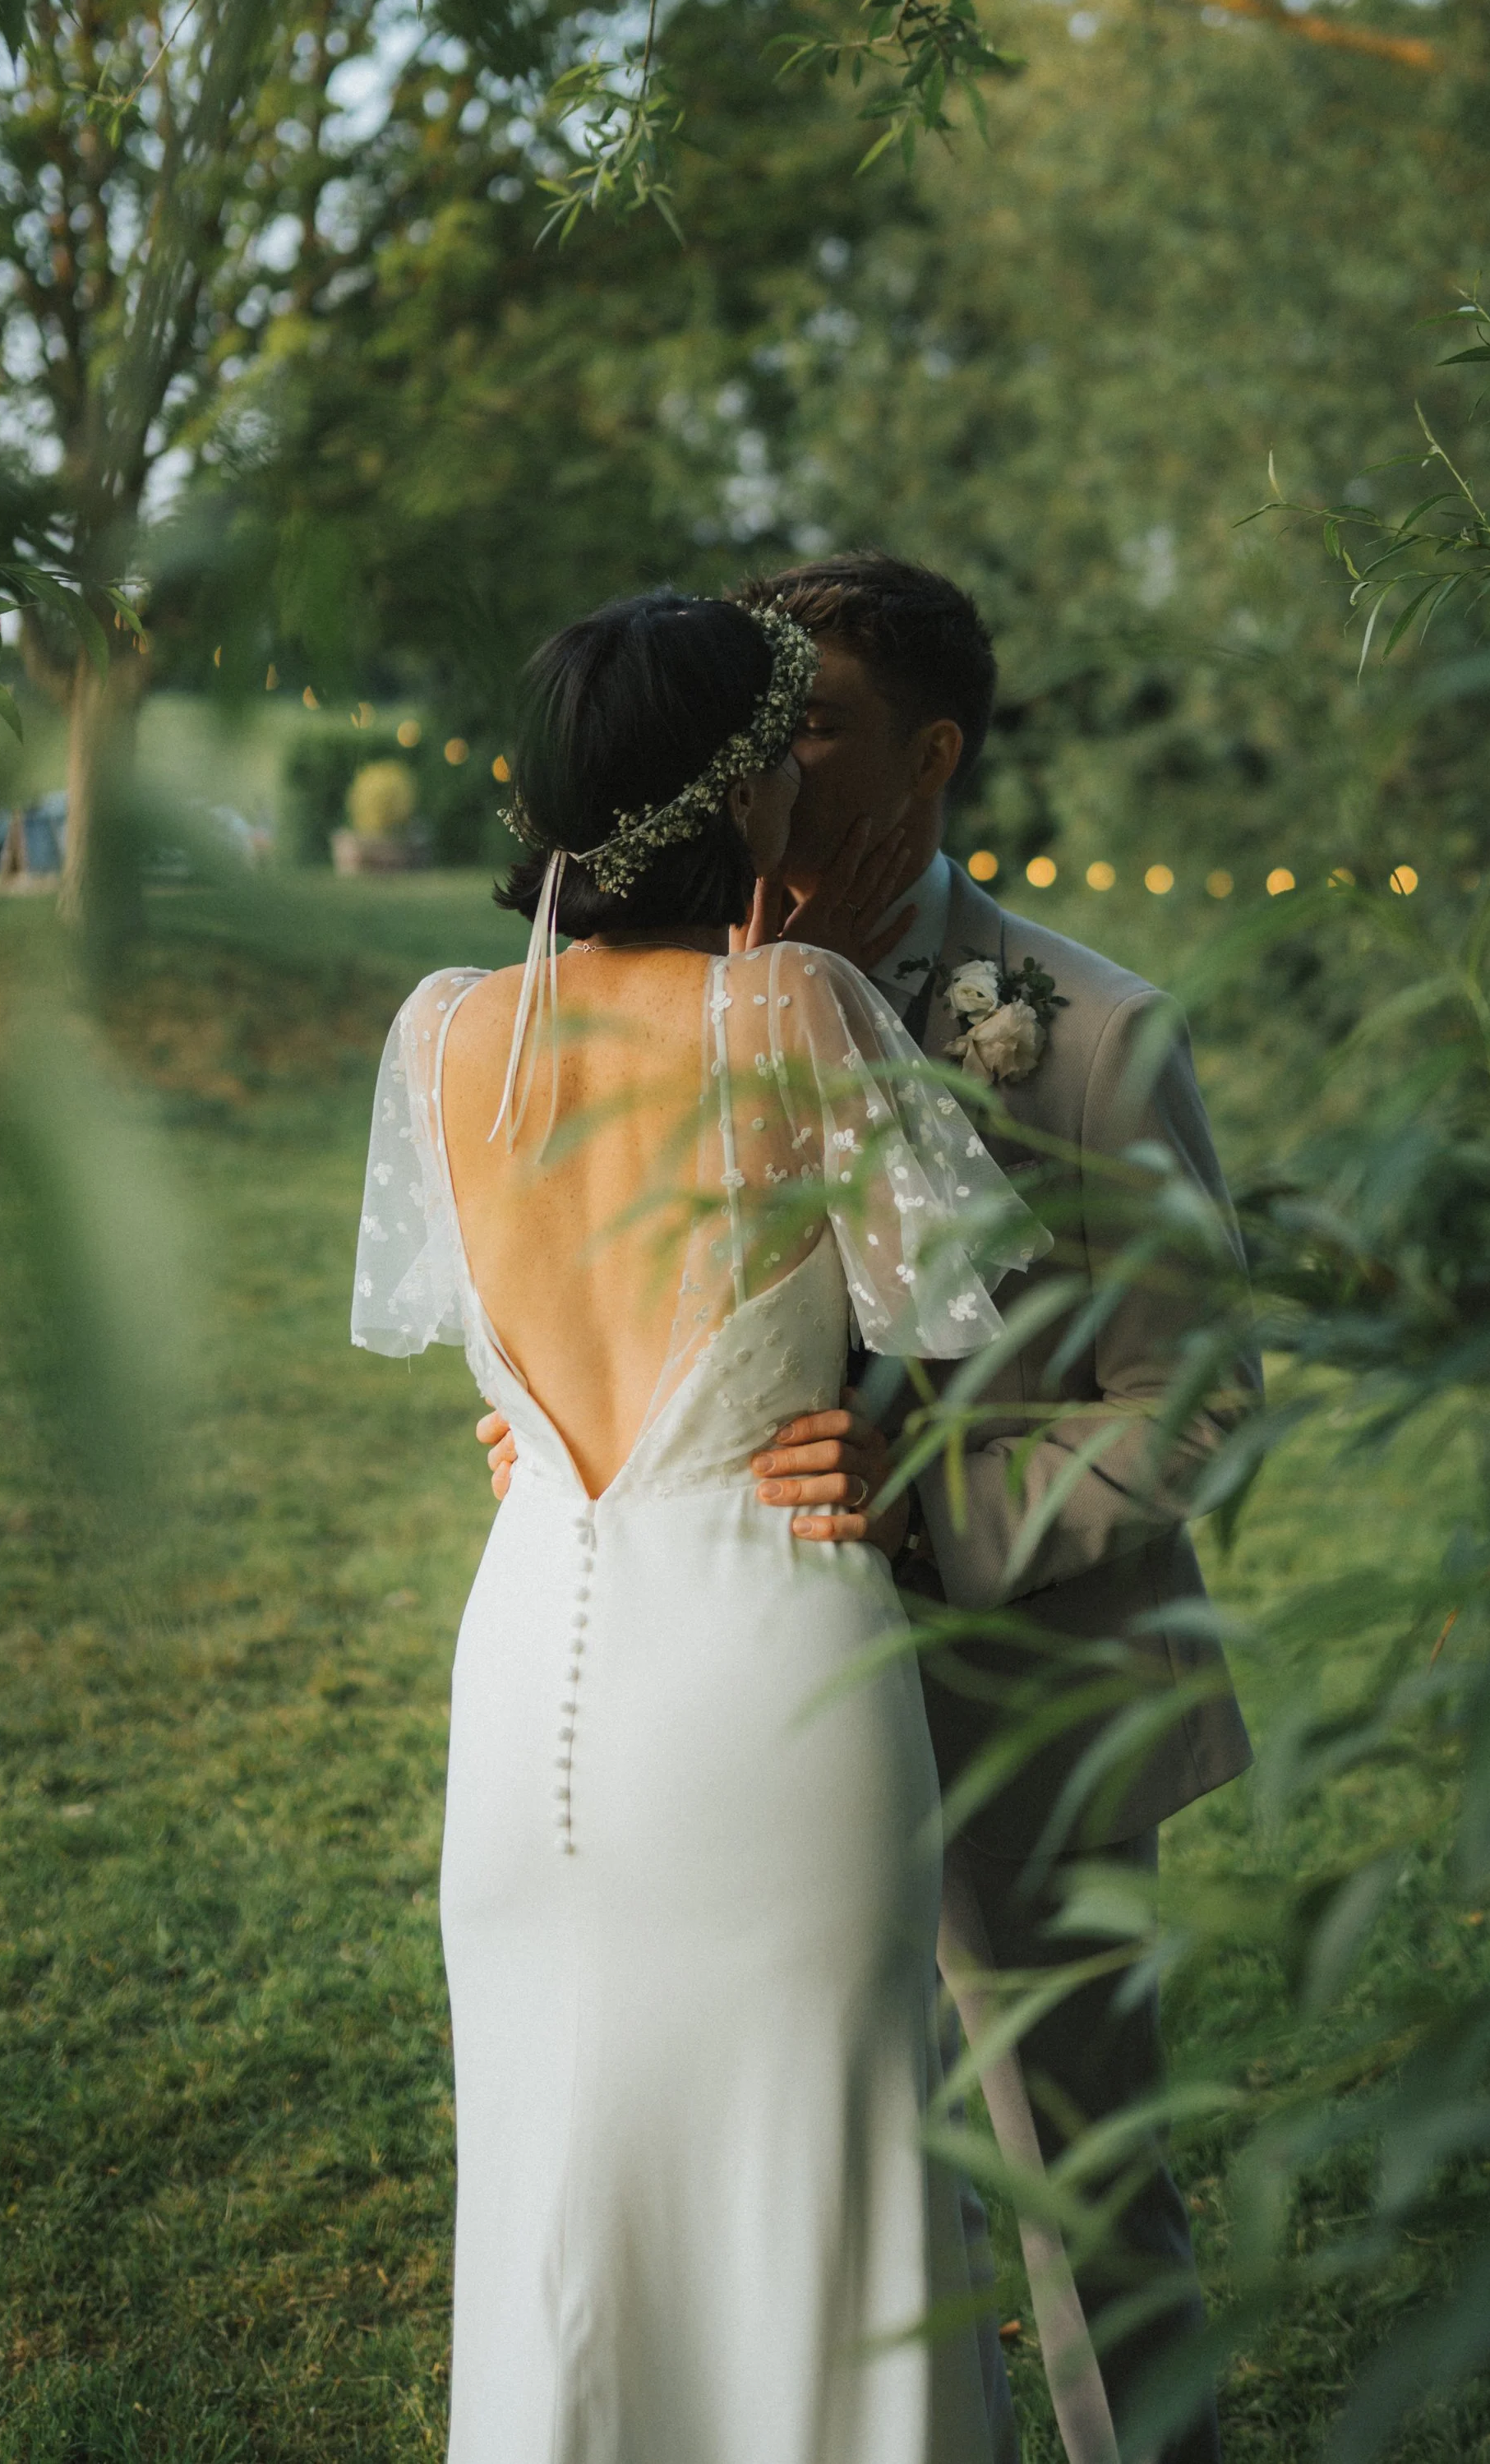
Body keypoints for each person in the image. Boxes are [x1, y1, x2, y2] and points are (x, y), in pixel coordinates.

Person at [481, 554, 1257, 2464]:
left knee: (1079, 2188)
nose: (781, 765)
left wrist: (936, 1499)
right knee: (773, 2199)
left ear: (931, 754)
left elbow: (1201, 1403)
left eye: (812, 725)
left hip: (1016, 1698)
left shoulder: (1082, 1034)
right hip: (721, 1716)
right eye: (761, 731)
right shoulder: (649, 1007)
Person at [353, 588, 1047, 2464]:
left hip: (528, 1673)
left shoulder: (447, 1038)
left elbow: (499, 1357)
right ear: (738, 792)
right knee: (813, 2187)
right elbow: (947, 1305)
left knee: (558, 2182)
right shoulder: (792, 1011)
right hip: (764, 1673)